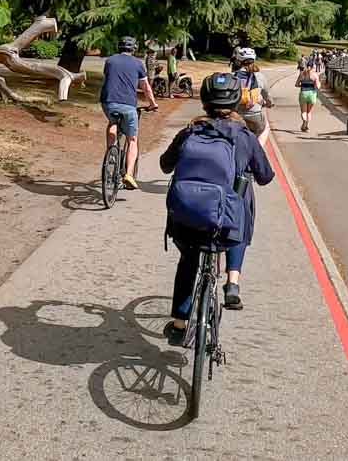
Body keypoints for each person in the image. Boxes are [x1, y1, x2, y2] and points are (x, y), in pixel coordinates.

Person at [160, 73, 275, 344]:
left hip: (188, 220)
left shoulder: (190, 130)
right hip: (226, 224)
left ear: (204, 101)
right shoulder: (244, 135)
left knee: (188, 259)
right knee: (240, 208)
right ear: (236, 101)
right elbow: (266, 176)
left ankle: (179, 323)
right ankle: (233, 281)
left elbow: (165, 164)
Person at [100, 36, 159, 189]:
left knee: (112, 122)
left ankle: (110, 152)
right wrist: (152, 104)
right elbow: (146, 87)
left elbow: (110, 78)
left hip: (108, 102)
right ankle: (129, 174)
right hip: (127, 105)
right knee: (132, 139)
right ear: (133, 49)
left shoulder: (110, 61)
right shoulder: (138, 64)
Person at [232, 47, 273, 140]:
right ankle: (258, 150)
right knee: (265, 128)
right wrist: (270, 103)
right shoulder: (260, 76)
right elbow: (267, 94)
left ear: (238, 61)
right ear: (254, 60)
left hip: (236, 115)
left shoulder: (232, 76)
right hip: (254, 115)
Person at [295, 57, 320, 132]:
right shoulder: (315, 75)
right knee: (309, 112)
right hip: (312, 94)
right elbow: (317, 86)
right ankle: (307, 126)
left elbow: (296, 84)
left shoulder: (302, 74)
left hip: (303, 93)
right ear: (313, 67)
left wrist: (302, 85)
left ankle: (304, 123)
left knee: (303, 112)